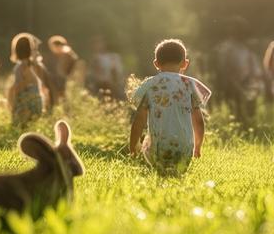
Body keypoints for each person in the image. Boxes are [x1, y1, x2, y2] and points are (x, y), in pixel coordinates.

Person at [128, 39, 211, 174]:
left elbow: (139, 120)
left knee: (158, 171)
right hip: (184, 149)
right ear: (185, 63)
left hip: (158, 148)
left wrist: (133, 147)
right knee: (178, 176)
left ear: (156, 64)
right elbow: (199, 121)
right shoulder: (189, 85)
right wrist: (197, 147)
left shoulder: (150, 85)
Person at [212, 19, 263, 123]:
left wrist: (253, 81)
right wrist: (234, 84)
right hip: (232, 85)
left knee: (248, 110)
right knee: (235, 110)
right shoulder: (228, 48)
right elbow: (225, 68)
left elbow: (252, 66)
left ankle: (247, 125)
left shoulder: (245, 48)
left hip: (245, 83)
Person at [8, 32, 53, 126]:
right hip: (37, 103)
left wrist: (12, 105)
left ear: (16, 49)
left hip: (26, 105)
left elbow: (20, 87)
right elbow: (42, 86)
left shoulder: (20, 67)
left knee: (21, 127)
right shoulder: (35, 65)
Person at [85, 35, 126, 101]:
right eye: (95, 44)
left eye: (99, 43)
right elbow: (93, 75)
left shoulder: (114, 57)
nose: (98, 46)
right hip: (100, 85)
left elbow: (117, 72)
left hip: (113, 84)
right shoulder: (94, 59)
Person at [45, 35, 79, 107]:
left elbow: (74, 62)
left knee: (62, 95)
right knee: (57, 95)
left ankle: (65, 110)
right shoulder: (56, 55)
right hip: (56, 78)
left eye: (53, 46)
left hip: (62, 78)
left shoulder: (66, 52)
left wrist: (67, 73)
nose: (52, 49)